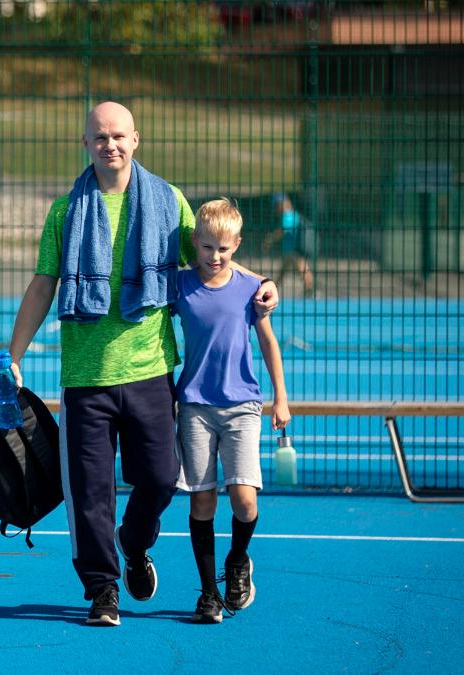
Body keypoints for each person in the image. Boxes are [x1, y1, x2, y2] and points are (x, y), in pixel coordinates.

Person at [5, 101, 279, 627]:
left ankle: (133, 542)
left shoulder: (167, 200)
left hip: (152, 370)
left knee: (158, 479)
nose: (110, 144)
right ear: (85, 143)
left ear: (136, 141)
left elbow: (208, 256)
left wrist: (259, 281)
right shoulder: (65, 211)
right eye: (100, 136)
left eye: (119, 136)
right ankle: (102, 589)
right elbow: (44, 284)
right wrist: (13, 355)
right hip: (86, 377)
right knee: (89, 492)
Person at [174, 198, 291, 624]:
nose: (215, 256)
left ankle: (238, 559)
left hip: (242, 406)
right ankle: (208, 594)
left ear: (237, 244)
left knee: (243, 502)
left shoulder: (250, 288)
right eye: (207, 247)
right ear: (195, 243)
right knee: (202, 502)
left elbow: (267, 342)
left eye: (223, 248)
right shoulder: (181, 286)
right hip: (195, 408)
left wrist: (280, 396)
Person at [265, 193, 315, 295]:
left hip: (295, 249)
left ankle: (310, 290)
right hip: (291, 250)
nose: (276, 208)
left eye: (277, 205)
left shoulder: (288, 215)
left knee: (302, 268)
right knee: (284, 271)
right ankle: (274, 290)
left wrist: (270, 239)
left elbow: (283, 230)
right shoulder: (291, 215)